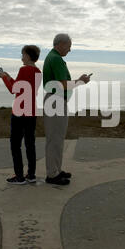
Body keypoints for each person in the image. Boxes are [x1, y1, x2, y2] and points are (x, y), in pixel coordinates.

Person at [43, 33, 91, 186]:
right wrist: (81, 81)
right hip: (56, 101)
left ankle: (56, 170)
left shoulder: (52, 57)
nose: (69, 50)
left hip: (54, 100)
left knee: (56, 138)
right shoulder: (56, 59)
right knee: (55, 139)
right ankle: (52, 174)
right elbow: (62, 84)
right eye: (69, 46)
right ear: (61, 44)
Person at [0, 45, 42, 185]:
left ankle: (19, 176)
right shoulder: (38, 71)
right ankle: (31, 174)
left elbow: (13, 89)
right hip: (31, 110)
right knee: (30, 144)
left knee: (15, 144)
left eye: (23, 54)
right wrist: (10, 77)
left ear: (28, 56)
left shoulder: (24, 69)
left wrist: (4, 78)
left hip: (19, 111)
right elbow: (22, 86)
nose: (21, 57)